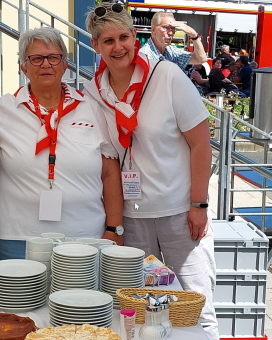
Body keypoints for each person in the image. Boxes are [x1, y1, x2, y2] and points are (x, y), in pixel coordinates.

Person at [83, 4, 219, 340]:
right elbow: (110, 159)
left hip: (180, 214)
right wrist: (115, 223)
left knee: (195, 307)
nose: (118, 47)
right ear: (96, 45)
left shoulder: (166, 76)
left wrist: (199, 205)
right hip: (133, 218)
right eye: (108, 40)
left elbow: (201, 144)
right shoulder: (93, 91)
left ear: (135, 36)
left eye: (124, 37)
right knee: (140, 310)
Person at [0, 26, 124, 261]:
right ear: (23, 67)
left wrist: (114, 228)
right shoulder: (1, 110)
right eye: (36, 58)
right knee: (22, 298)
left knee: (81, 298)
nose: (45, 64)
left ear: (64, 64)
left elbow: (110, 173)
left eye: (53, 57)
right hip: (18, 235)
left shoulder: (92, 108)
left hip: (86, 236)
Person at [140, 11, 207, 69]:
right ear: (153, 30)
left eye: (173, 29)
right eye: (166, 28)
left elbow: (201, 59)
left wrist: (193, 35)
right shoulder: (145, 55)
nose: (171, 33)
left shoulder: (171, 51)